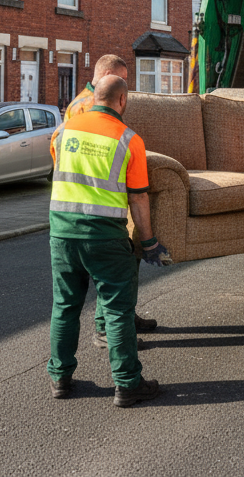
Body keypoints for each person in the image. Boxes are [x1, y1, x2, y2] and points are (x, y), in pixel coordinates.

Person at [48, 75, 171, 407]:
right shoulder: (129, 139)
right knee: (117, 311)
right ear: (122, 101)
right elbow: (139, 199)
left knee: (65, 306)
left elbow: (62, 174)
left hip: (61, 233)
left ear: (93, 97)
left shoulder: (62, 132)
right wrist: (149, 242)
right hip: (104, 236)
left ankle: (60, 377)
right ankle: (128, 383)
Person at [64, 54, 158, 342]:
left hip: (95, 203)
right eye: (121, 80)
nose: (125, 89)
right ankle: (108, 328)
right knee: (110, 273)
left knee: (127, 262)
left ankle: (124, 315)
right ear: (105, 75)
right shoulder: (85, 108)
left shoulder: (87, 103)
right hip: (94, 207)